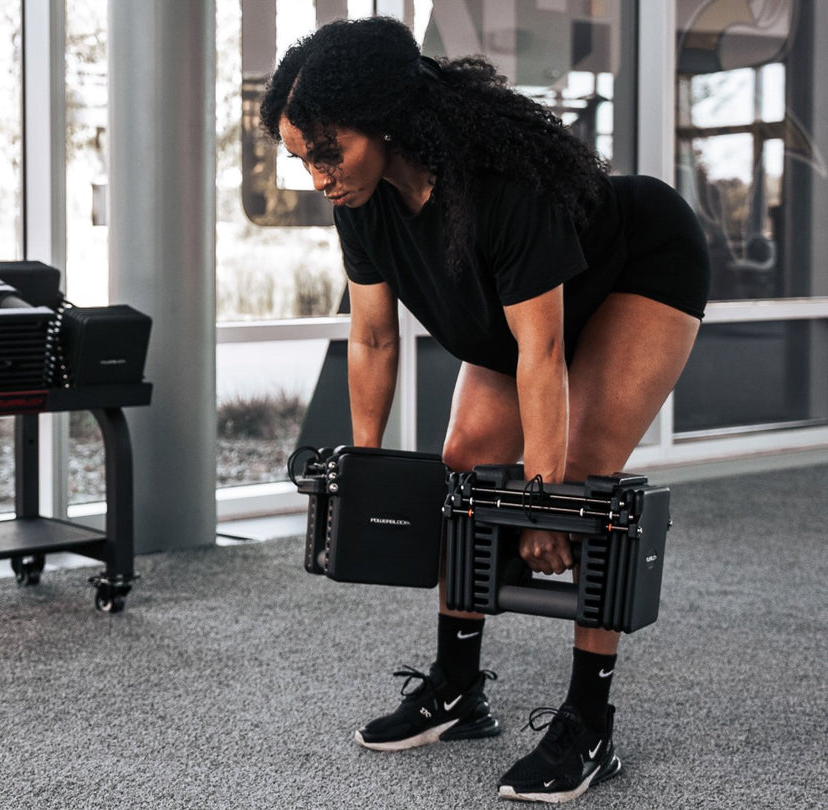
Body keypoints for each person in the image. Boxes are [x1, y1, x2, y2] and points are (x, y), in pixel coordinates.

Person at [259, 16, 709, 805]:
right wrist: (368, 474)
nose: (320, 174)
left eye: (329, 150)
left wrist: (543, 502)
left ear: (387, 118)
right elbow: (371, 339)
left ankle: (588, 722)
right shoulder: (359, 200)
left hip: (638, 266)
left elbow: (542, 355)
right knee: (464, 469)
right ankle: (458, 690)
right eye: (304, 160)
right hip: (517, 315)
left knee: (584, 483)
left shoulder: (499, 189)